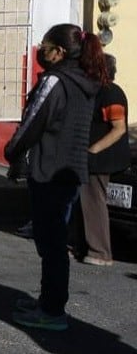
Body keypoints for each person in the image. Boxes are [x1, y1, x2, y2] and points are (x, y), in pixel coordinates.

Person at [4, 23, 106, 331]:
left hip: (49, 172)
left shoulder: (55, 81)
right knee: (54, 243)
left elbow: (33, 122)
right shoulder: (84, 82)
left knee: (51, 245)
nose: (40, 52)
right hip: (69, 171)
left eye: (44, 47)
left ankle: (51, 311)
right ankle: (49, 301)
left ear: (59, 52)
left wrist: (12, 151)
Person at [76, 54, 127, 266]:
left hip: (101, 160)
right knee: (86, 203)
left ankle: (100, 252)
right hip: (93, 158)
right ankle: (84, 247)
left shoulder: (111, 92)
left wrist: (93, 150)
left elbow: (119, 128)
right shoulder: (98, 92)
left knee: (94, 204)